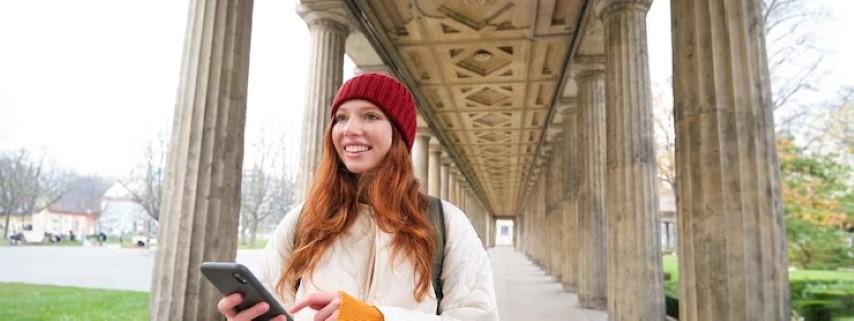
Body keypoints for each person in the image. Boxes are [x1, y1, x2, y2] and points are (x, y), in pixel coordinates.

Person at [216, 73, 499, 321]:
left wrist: (375, 318)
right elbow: (280, 304)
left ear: (398, 134)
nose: (350, 129)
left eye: (370, 116)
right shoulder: (303, 219)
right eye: (341, 117)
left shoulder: (446, 223)